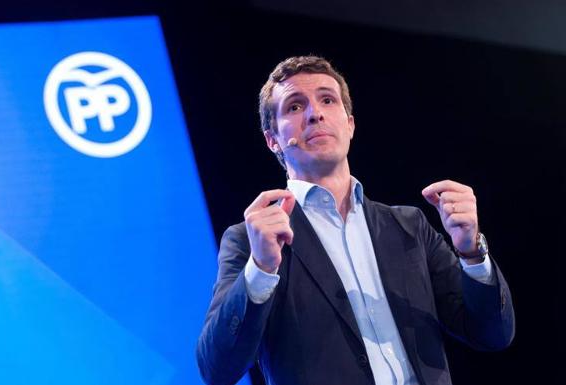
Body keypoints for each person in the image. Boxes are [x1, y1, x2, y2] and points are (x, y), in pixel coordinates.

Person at [196, 56, 514, 385]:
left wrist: (472, 253)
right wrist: (261, 269)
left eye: (327, 100)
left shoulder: (409, 226)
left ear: (349, 124)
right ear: (272, 139)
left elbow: (492, 333)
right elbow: (216, 369)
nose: (314, 113)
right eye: (294, 106)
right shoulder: (251, 240)